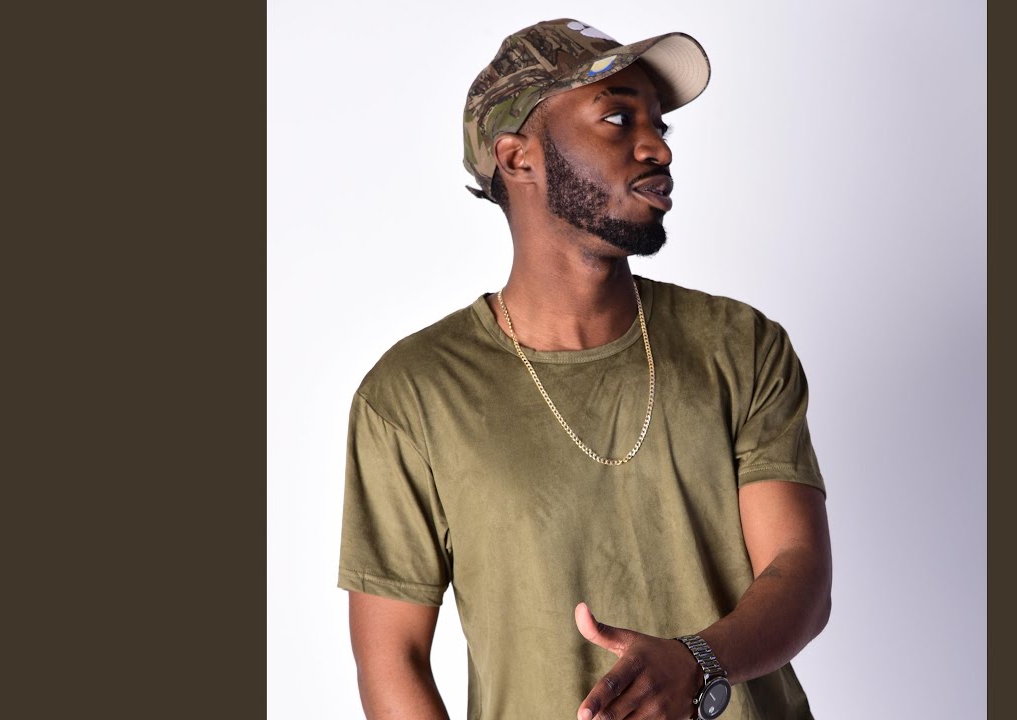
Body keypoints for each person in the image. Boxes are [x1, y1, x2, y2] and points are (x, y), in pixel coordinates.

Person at [337, 18, 831, 720]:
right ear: (518, 158)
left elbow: (799, 574)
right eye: (618, 118)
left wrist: (696, 662)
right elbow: (393, 659)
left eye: (659, 124)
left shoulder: (739, 345)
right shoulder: (412, 395)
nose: (657, 147)